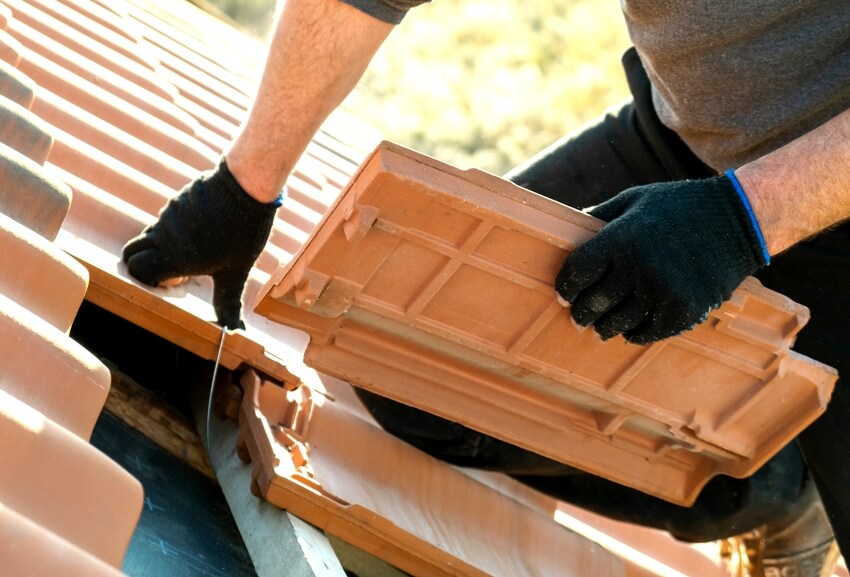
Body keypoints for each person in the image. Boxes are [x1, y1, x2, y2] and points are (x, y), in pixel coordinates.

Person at [122, 1, 850, 574]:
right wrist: (247, 186)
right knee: (416, 372)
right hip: (689, 143)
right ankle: (775, 489)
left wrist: (741, 218)